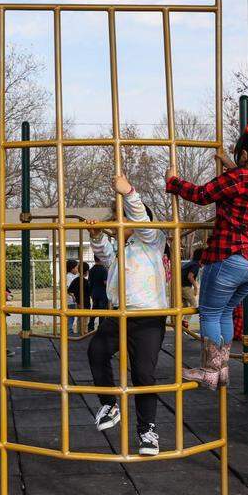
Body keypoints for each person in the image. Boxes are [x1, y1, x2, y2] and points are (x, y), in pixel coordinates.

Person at [165, 114, 248, 384]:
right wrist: (233, 168)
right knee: (225, 312)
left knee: (209, 312)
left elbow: (201, 194)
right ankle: (221, 370)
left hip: (232, 256)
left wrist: (173, 182)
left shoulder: (239, 177)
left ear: (244, 153)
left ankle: (209, 371)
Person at [85, 173, 168, 456]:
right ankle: (109, 403)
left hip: (147, 317)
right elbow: (107, 259)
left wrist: (129, 192)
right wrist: (97, 237)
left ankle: (147, 431)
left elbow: (142, 222)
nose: (115, 224)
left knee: (143, 373)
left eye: (120, 218)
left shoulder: (152, 239)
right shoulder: (123, 249)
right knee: (96, 351)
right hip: (119, 315)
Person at [87, 256, 109, 331]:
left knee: (94, 310)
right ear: (101, 258)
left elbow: (89, 282)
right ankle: (101, 328)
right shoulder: (104, 270)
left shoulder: (91, 270)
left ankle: (91, 326)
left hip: (94, 293)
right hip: (103, 294)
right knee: (102, 313)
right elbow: (105, 282)